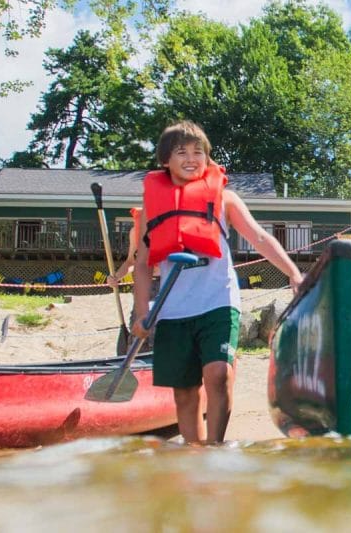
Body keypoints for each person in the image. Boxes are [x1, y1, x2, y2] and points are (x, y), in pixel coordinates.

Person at [130, 120, 304, 445]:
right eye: (182, 152)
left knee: (218, 375)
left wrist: (293, 272)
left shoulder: (225, 199)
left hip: (218, 301)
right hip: (172, 311)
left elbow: (261, 237)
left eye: (199, 152)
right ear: (165, 160)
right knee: (184, 393)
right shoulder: (153, 209)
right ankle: (194, 454)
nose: (192, 158)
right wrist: (142, 311)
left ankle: (215, 447)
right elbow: (142, 266)